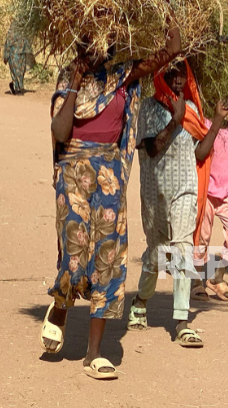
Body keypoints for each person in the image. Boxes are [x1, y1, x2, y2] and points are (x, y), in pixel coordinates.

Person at [40, 22, 182, 380]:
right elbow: (59, 131)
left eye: (103, 41)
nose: (96, 48)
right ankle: (61, 305)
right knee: (75, 250)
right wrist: (76, 79)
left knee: (107, 255)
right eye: (88, 41)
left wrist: (165, 15)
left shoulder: (123, 74)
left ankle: (94, 354)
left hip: (110, 171)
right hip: (74, 168)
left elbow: (170, 51)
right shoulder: (69, 76)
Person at [128, 59, 227, 347]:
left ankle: (182, 321)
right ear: (160, 76)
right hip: (155, 194)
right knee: (157, 254)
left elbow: (200, 154)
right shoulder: (148, 108)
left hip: (185, 191)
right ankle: (140, 301)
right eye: (171, 73)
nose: (178, 80)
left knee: (183, 250)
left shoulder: (193, 111)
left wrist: (217, 120)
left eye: (182, 74)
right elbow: (151, 147)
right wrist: (175, 119)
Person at [191, 114, 228, 302]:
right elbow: (199, 153)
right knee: (202, 236)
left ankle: (217, 277)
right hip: (205, 189)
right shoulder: (201, 124)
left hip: (227, 189)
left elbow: (226, 158)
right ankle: (197, 280)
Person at [3, 26, 35, 95]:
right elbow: (7, 45)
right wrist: (6, 57)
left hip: (21, 55)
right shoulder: (11, 33)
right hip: (13, 56)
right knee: (15, 72)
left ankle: (15, 85)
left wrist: (30, 54)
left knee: (21, 72)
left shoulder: (23, 32)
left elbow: (27, 43)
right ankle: (17, 88)